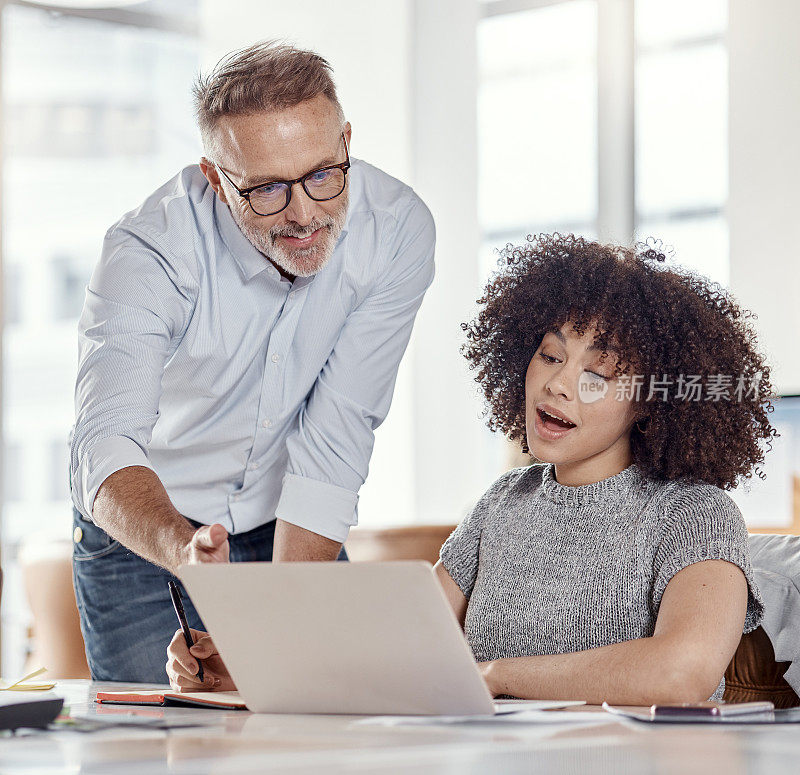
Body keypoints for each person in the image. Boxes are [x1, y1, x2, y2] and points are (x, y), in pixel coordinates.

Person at [166, 235, 770, 705]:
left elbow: (682, 671)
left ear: (650, 402)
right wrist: (248, 665)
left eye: (598, 374)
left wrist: (499, 675)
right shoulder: (503, 504)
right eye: (550, 355)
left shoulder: (696, 512)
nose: (558, 383)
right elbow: (393, 651)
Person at [70, 40, 435, 683]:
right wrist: (185, 552)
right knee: (164, 741)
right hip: (149, 529)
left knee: (308, 721)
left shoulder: (396, 228)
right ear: (215, 177)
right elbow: (105, 443)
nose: (305, 215)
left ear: (347, 140)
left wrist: (274, 633)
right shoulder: (147, 251)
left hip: (287, 517)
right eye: (266, 189)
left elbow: (337, 436)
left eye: (325, 174)